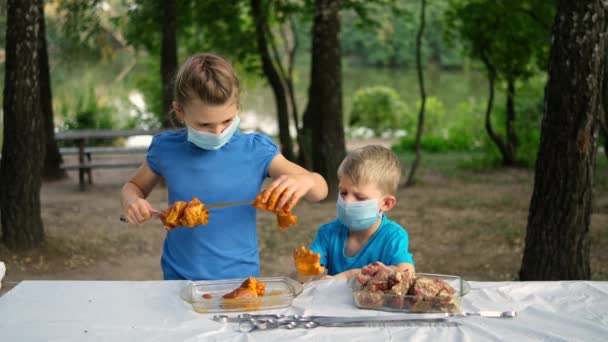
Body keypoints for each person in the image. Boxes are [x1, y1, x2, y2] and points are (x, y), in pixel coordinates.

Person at [121, 53, 328, 281]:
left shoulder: (257, 151)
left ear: (237, 107)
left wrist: (306, 180)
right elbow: (133, 187)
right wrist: (133, 201)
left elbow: (319, 192)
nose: (218, 132)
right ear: (180, 112)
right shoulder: (165, 149)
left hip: (240, 282)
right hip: (178, 280)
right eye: (205, 124)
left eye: (227, 121)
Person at [294, 145, 414, 280]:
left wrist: (350, 275)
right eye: (343, 193)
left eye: (360, 197)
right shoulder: (328, 233)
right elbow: (303, 282)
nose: (347, 202)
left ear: (386, 203)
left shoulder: (393, 236)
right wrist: (304, 272)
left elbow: (407, 272)